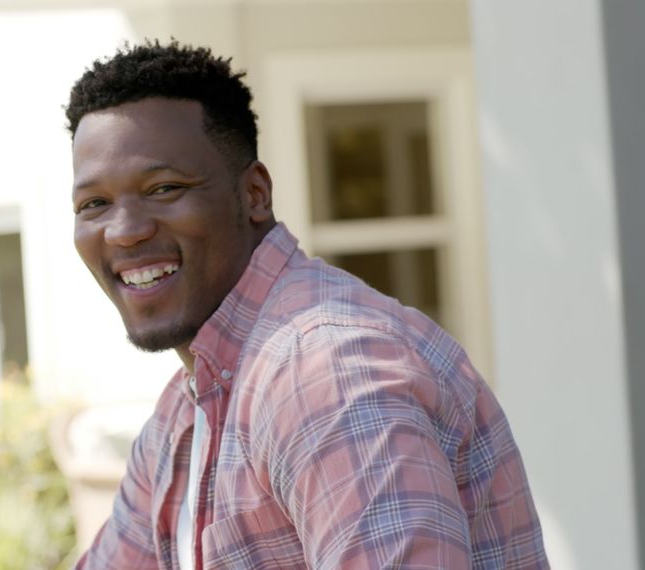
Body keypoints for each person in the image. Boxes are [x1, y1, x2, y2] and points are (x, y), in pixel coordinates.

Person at [65, 40, 548, 569]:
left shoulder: (326, 374)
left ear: (254, 194)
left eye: (164, 188)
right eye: (95, 204)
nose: (125, 231)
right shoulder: (186, 410)